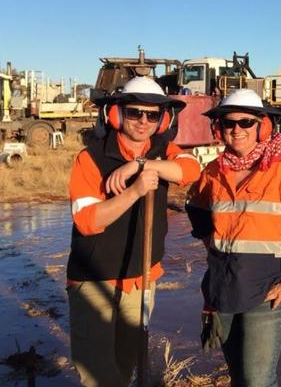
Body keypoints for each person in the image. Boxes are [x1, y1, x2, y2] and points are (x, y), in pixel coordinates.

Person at [186, 89, 281, 387]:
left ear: (262, 125)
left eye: (246, 122)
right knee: (239, 378)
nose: (237, 130)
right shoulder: (213, 170)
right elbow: (195, 208)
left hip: (267, 291)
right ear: (220, 127)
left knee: (258, 381)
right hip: (223, 287)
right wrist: (211, 242)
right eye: (229, 123)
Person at [67, 77, 201, 386]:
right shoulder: (90, 158)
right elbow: (87, 221)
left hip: (140, 280)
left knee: (126, 367)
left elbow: (191, 171)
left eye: (152, 114)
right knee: (99, 376)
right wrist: (134, 192)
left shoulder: (163, 150)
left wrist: (142, 164)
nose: (143, 121)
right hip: (93, 280)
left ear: (162, 119)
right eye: (134, 112)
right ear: (116, 114)